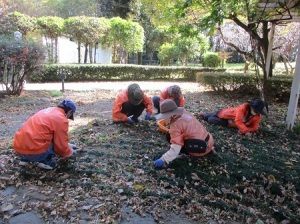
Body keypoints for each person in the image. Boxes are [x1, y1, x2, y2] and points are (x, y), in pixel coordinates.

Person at [13, 99, 79, 170]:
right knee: (54, 140)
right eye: (70, 115)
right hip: (35, 153)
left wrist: (67, 145)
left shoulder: (46, 111)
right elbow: (60, 144)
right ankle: (45, 161)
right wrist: (69, 152)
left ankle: (24, 159)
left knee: (30, 129)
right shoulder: (61, 119)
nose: (68, 118)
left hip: (19, 150)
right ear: (70, 111)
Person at [154, 99, 214, 168]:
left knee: (169, 136)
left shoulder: (175, 125)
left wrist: (163, 159)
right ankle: (210, 149)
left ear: (169, 114)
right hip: (209, 141)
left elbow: (175, 148)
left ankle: (191, 153)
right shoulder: (185, 113)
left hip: (199, 149)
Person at [199, 98, 268, 136]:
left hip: (228, 123)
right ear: (251, 107)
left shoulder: (257, 116)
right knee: (209, 115)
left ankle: (206, 116)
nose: (255, 112)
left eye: (257, 111)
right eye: (254, 110)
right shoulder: (243, 108)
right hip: (225, 114)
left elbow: (254, 128)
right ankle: (204, 114)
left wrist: (246, 129)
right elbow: (238, 121)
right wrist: (245, 131)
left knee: (210, 120)